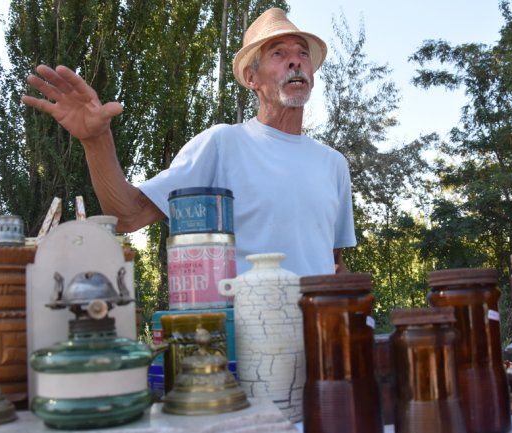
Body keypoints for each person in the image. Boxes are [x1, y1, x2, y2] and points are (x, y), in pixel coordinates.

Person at [22, 8, 356, 277]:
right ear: (251, 78)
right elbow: (128, 215)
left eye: (302, 54)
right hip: (248, 335)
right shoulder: (223, 145)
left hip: (320, 334)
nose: (295, 61)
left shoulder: (333, 164)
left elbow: (333, 262)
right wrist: (96, 139)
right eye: (279, 53)